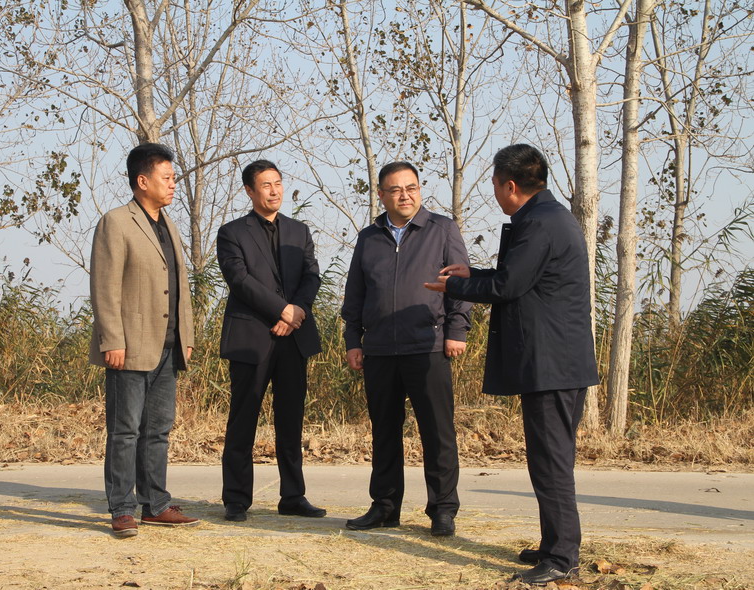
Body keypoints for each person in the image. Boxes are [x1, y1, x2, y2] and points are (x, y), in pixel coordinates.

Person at [425, 144, 598, 584]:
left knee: (551, 462)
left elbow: (508, 286)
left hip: (552, 365)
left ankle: (561, 558)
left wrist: (453, 288)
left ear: (511, 185)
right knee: (550, 459)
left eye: (495, 185)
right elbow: (516, 278)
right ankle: (554, 543)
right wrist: (470, 276)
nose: (496, 193)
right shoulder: (548, 217)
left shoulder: (540, 223)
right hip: (555, 362)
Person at [341, 161, 472, 537]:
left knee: (437, 432)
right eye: (396, 189)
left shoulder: (441, 229)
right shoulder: (369, 238)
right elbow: (355, 294)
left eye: (411, 187)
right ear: (381, 194)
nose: (405, 195)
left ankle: (442, 509)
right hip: (380, 349)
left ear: (419, 190)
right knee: (384, 433)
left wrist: (456, 330)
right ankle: (384, 507)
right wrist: (353, 340)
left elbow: (461, 283)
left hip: (428, 346)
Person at [89, 143, 200, 538]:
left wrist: (186, 335)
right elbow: (105, 288)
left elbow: (180, 285)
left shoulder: (168, 224)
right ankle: (122, 509)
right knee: (125, 432)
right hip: (130, 346)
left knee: (158, 431)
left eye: (173, 177)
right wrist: (112, 340)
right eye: (166, 177)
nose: (173, 184)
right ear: (142, 181)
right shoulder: (116, 222)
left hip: (167, 346)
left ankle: (156, 504)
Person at [217, 159, 326, 522]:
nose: (274, 190)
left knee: (291, 420)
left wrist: (297, 312)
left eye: (278, 183)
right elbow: (240, 280)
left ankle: (293, 496)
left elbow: (312, 275)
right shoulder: (232, 233)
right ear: (250, 190)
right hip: (251, 337)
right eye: (266, 185)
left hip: (293, 338)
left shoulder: (299, 230)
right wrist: (282, 310)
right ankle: (236, 499)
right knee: (243, 419)